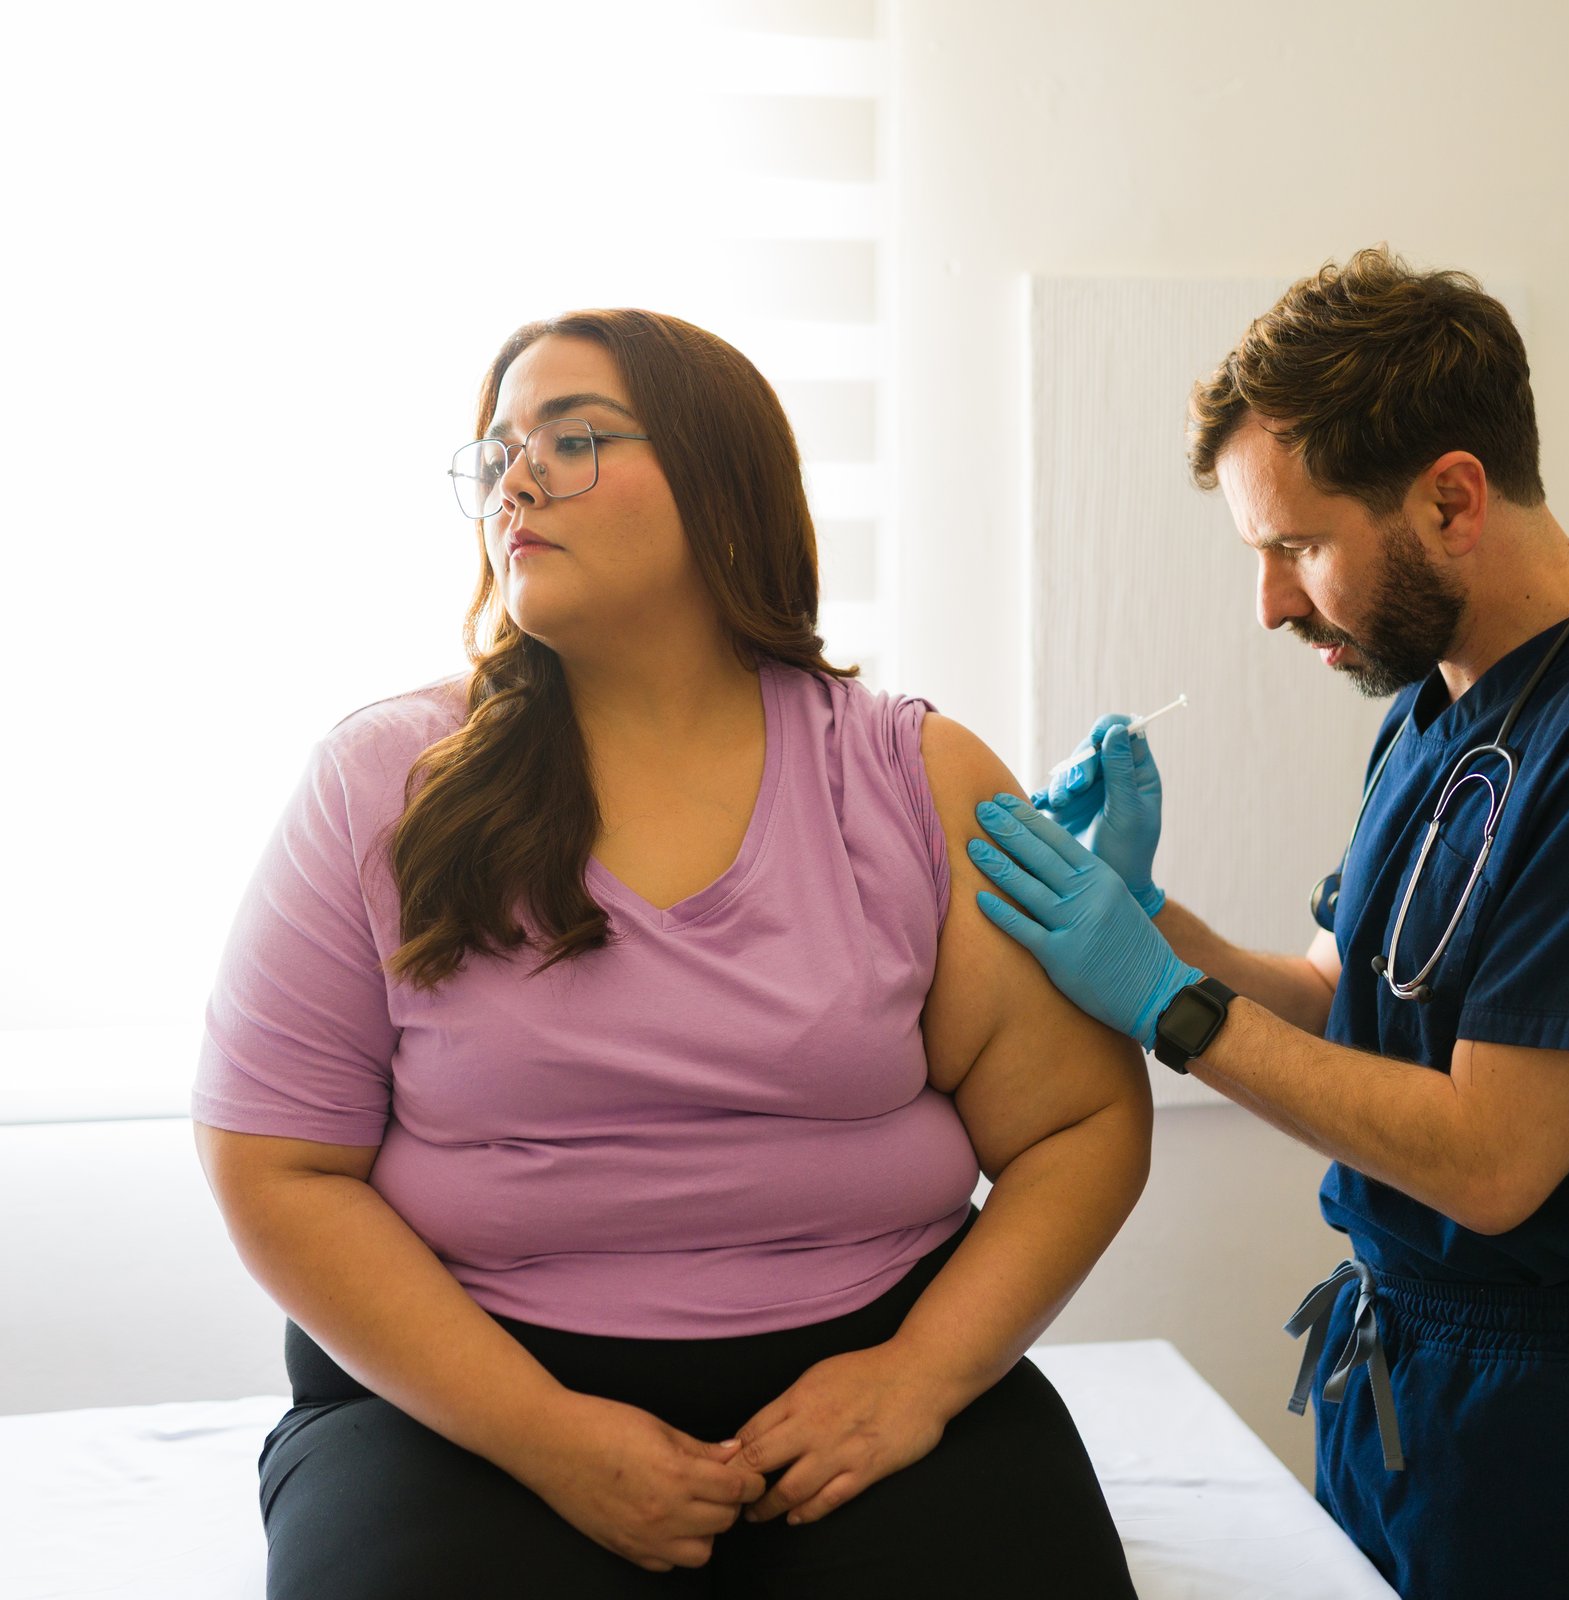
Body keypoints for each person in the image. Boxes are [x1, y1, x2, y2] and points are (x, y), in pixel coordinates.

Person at [191, 308, 1147, 1598]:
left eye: (575, 437)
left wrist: (917, 1382)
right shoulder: (385, 783)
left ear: (725, 484)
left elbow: (1077, 1123)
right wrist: (549, 1440)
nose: (515, 478)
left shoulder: (911, 776)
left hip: (865, 1379)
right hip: (466, 1403)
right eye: (496, 454)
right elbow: (275, 1164)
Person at [966, 248, 1569, 1599]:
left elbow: (1489, 1160)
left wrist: (1169, 1009)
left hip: (1568, 1424)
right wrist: (1143, 914)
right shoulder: (1437, 701)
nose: (1272, 603)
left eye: (1298, 546)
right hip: (1412, 1368)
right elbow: (1336, 998)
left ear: (1453, 497)